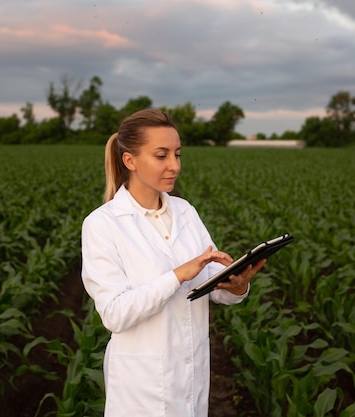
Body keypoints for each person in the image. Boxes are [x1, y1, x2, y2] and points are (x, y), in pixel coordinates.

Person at [81, 108, 266, 417]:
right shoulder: (103, 224)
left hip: (191, 378)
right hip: (141, 390)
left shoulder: (185, 212)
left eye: (177, 154)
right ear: (130, 161)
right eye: (161, 155)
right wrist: (177, 275)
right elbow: (114, 314)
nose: (174, 166)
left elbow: (210, 285)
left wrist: (235, 285)